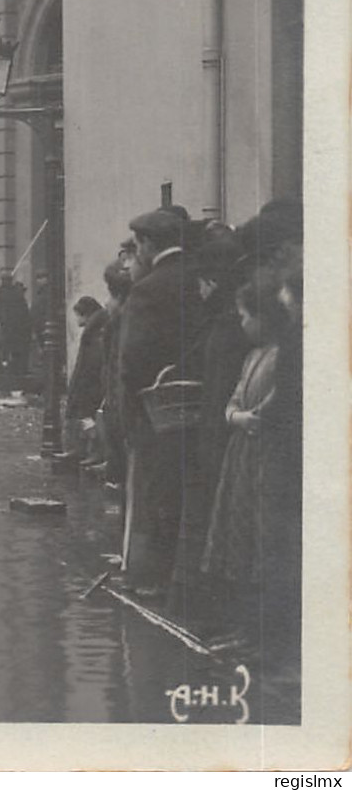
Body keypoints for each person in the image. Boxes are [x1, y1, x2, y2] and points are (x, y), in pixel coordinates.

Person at [117, 208, 209, 596]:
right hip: (203, 399)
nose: (136, 253)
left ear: (149, 244)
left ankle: (152, 578)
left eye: (138, 245)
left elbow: (132, 358)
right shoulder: (201, 277)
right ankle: (188, 577)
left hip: (158, 406)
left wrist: (131, 409)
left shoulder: (148, 289)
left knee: (156, 491)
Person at [200, 275, 287, 645]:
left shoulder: (282, 356)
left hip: (264, 455)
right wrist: (238, 417)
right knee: (236, 532)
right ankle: (242, 625)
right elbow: (233, 399)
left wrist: (256, 417)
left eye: (244, 316)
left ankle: (259, 631)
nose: (241, 323)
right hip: (242, 452)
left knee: (259, 535)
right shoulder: (251, 356)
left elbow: (281, 397)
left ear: (264, 317)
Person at [171, 231, 249, 607]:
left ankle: (211, 607)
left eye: (201, 283)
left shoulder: (225, 324)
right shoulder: (225, 320)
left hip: (219, 434)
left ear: (212, 281)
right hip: (218, 430)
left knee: (218, 523)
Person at [97, 261, 135, 486]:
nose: (106, 303)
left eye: (110, 296)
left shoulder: (122, 323)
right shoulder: (117, 322)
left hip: (122, 406)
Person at [62, 296, 107, 461]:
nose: (76, 319)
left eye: (78, 315)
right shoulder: (95, 329)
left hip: (90, 383)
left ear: (85, 314)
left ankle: (90, 451)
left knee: (87, 416)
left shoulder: (93, 333)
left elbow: (90, 362)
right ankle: (85, 450)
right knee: (87, 416)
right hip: (90, 382)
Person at [0, 269, 33, 389]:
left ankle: (5, 375)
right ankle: (18, 375)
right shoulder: (18, 293)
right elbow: (25, 311)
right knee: (18, 354)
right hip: (19, 328)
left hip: (6, 328)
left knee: (5, 353)